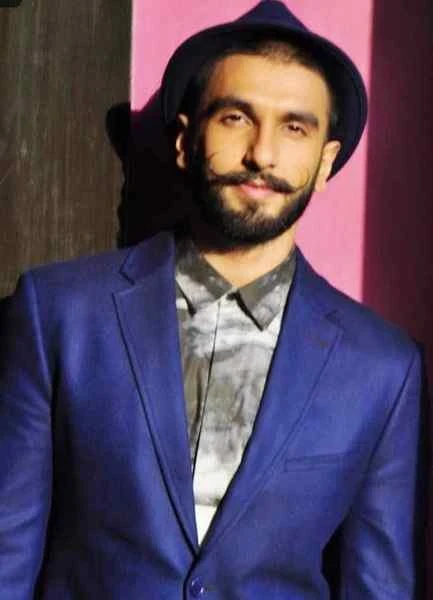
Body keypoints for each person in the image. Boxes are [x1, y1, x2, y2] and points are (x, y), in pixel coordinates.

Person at [0, 1, 423, 598]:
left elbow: (378, 585)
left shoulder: (382, 369)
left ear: (325, 162)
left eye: (294, 128)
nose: (262, 154)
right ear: (185, 140)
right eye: (235, 118)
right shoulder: (59, 315)